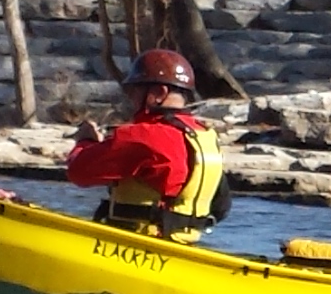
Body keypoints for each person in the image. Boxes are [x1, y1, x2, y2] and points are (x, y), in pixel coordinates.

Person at [67, 49, 231, 244]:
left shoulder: (144, 136)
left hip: (137, 247)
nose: (131, 98)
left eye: (135, 91)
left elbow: (78, 172)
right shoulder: (206, 137)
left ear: (160, 93)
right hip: (184, 246)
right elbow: (221, 207)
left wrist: (85, 142)